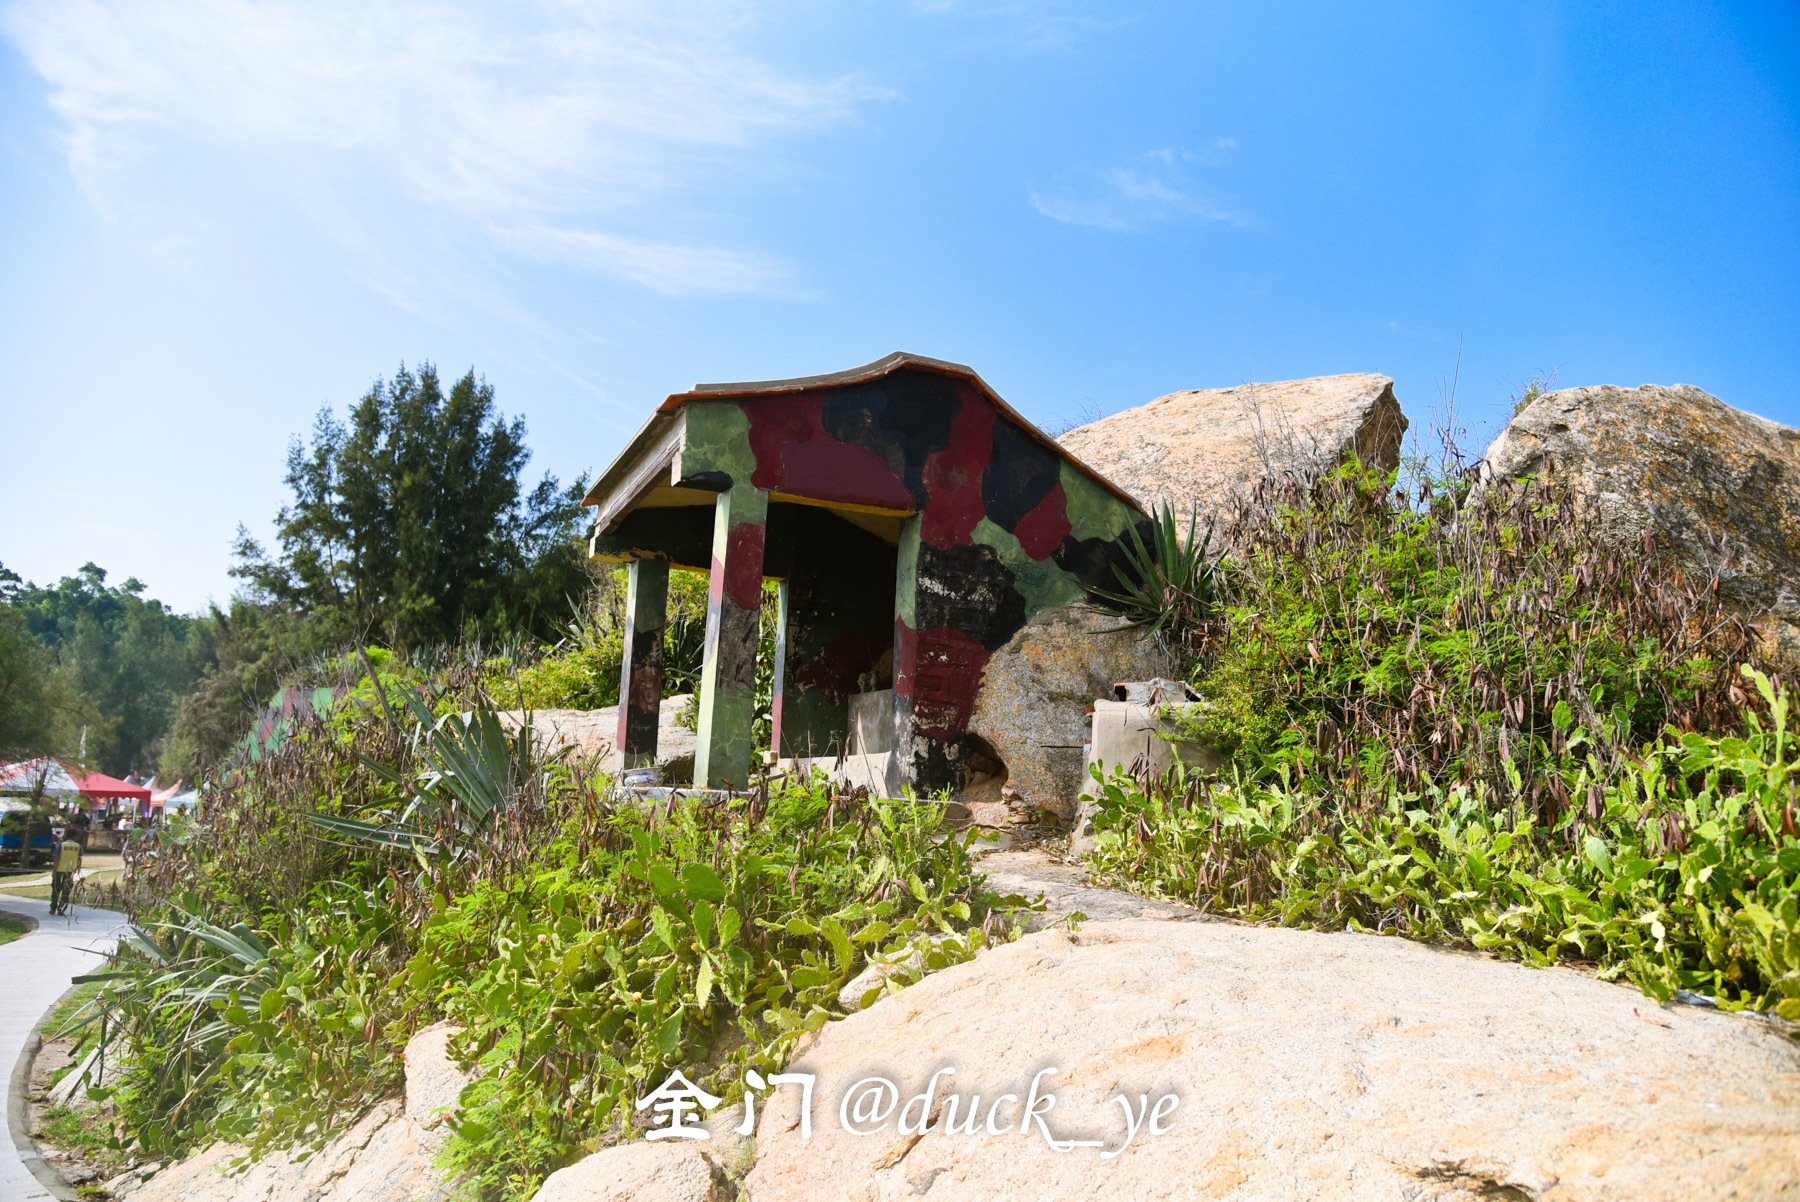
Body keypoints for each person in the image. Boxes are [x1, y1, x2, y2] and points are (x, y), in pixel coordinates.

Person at [49, 826, 82, 916]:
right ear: (75, 836)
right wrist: (76, 869)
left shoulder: (61, 845)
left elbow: (57, 858)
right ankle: (62, 909)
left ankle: (53, 908)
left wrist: (54, 871)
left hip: (59, 870)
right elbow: (79, 860)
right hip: (70, 872)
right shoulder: (78, 847)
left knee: (56, 889)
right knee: (66, 890)